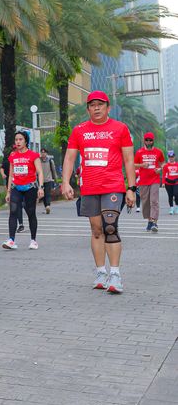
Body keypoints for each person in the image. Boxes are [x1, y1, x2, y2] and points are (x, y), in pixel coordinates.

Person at [61, 91, 136, 294]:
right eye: (92, 105)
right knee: (96, 230)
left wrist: (131, 188)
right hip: (89, 187)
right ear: (88, 109)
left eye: (100, 104)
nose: (96, 108)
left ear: (108, 108)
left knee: (110, 226)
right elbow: (69, 158)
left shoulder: (120, 128)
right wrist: (65, 182)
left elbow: (129, 160)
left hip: (113, 186)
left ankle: (115, 275)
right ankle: (101, 273)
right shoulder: (79, 130)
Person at [2, 131, 44, 250]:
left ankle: (33, 240)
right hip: (16, 188)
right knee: (13, 212)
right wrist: (8, 192)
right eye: (16, 140)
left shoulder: (33, 155)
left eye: (20, 139)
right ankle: (11, 240)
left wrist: (41, 187)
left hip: (30, 188)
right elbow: (10, 175)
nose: (18, 142)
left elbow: (40, 172)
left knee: (31, 213)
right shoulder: (13, 156)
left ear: (26, 141)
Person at [134, 132, 164, 232]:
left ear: (153, 141)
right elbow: (133, 164)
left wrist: (160, 169)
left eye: (150, 140)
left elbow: (163, 163)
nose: (148, 142)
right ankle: (149, 221)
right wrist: (142, 165)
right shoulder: (139, 152)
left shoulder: (158, 152)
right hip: (143, 181)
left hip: (155, 180)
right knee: (146, 202)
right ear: (144, 141)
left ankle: (154, 222)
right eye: (147, 140)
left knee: (154, 201)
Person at [0, 147, 24, 231]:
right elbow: (2, 168)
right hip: (11, 186)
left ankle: (20, 224)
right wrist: (3, 174)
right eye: (12, 153)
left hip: (21, 186)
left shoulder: (21, 162)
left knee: (20, 205)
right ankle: (18, 225)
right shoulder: (7, 162)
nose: (13, 154)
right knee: (14, 206)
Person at [40, 147, 58, 214]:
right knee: (43, 195)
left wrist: (55, 180)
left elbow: (53, 171)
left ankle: (48, 206)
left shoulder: (50, 161)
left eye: (44, 152)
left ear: (46, 153)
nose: (43, 154)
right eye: (42, 152)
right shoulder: (38, 161)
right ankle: (46, 207)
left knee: (47, 194)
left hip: (48, 180)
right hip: (41, 181)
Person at [162, 150, 178, 215]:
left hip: (176, 182)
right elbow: (164, 175)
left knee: (176, 194)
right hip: (168, 183)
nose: (171, 158)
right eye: (170, 157)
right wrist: (163, 183)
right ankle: (171, 208)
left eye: (172, 157)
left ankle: (176, 206)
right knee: (170, 195)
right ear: (168, 157)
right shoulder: (166, 165)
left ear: (174, 157)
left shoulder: (177, 164)